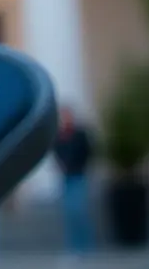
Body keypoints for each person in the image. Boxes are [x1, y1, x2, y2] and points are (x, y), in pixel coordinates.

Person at [53, 105, 96, 252]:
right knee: (70, 213)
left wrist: (81, 165)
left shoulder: (80, 134)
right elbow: (56, 152)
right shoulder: (59, 135)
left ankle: (86, 246)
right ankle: (74, 247)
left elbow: (88, 151)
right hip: (66, 177)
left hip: (78, 175)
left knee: (80, 211)